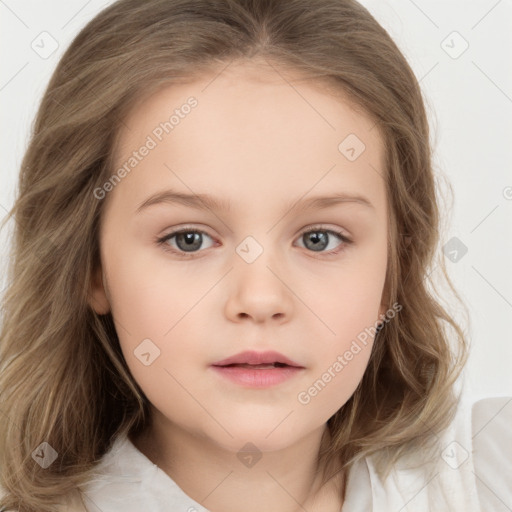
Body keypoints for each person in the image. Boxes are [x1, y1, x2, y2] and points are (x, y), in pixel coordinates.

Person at [0, 0, 510, 511]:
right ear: (92, 267)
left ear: (393, 269)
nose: (260, 299)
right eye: (189, 239)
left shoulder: (487, 474)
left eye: (319, 238)